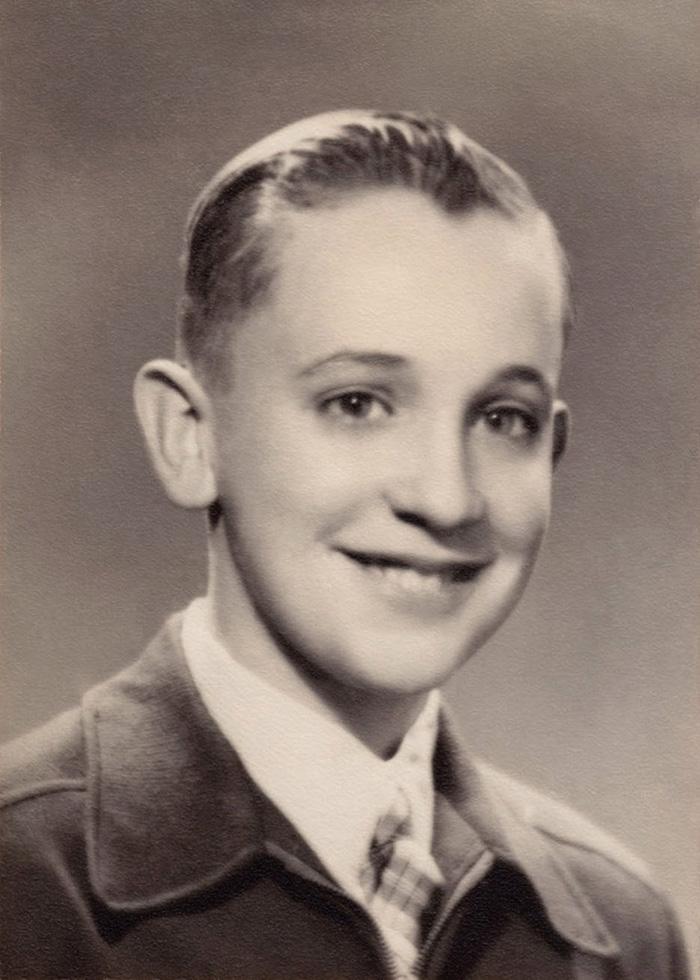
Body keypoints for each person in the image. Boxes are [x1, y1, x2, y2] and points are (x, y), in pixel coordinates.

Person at [0, 110, 690, 979]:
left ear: (550, 452)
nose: (445, 496)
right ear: (190, 436)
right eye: (357, 403)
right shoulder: (22, 885)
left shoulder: (615, 935)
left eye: (501, 418)